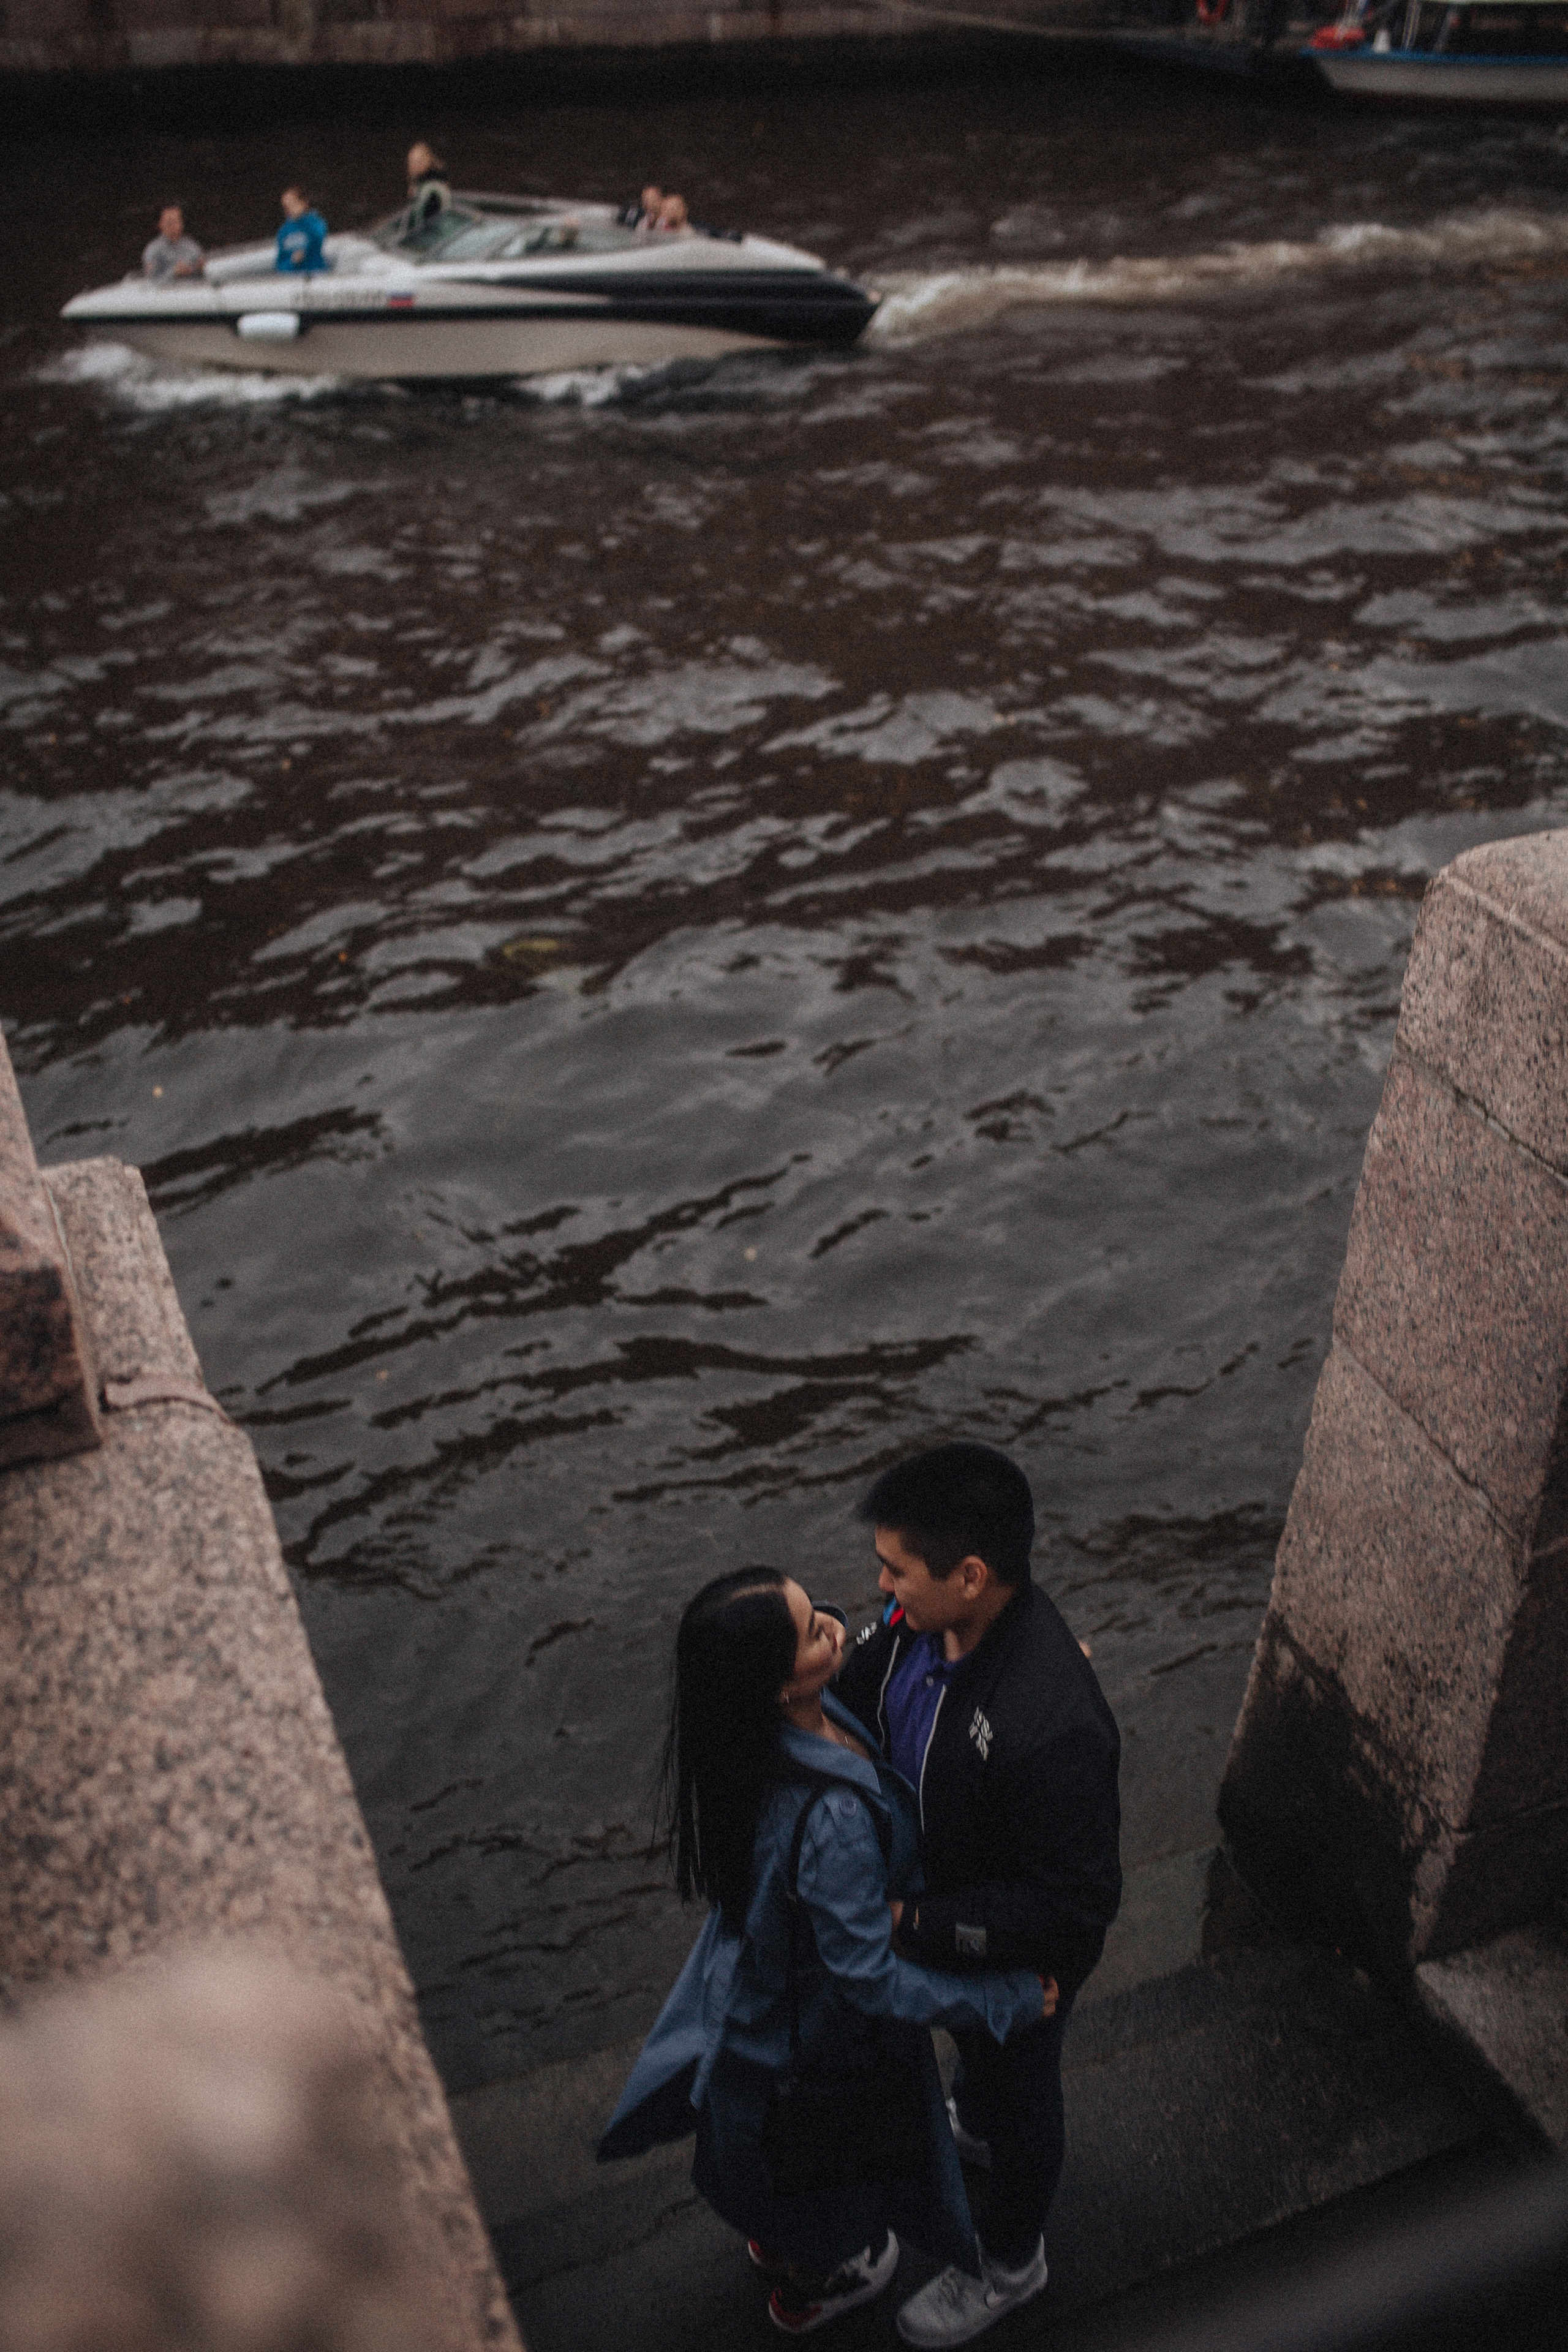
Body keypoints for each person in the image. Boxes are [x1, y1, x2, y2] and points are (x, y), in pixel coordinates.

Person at [599, 1569, 1050, 2337]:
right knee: (830, 2183)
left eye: (821, 1611)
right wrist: (996, 2001)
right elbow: (868, 1977)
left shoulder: (751, 1747)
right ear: (779, 1685)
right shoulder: (833, 1819)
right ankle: (835, 2271)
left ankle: (782, 2236)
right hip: (814, 2045)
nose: (839, 1628)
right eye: (814, 1631)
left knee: (763, 2165)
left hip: (752, 2007)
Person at [834, 1443, 1121, 2348]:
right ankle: (978, 2120)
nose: (881, 1588)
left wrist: (909, 1922)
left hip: (1011, 1953)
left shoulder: (1053, 1723)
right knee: (985, 2074)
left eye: (896, 1570)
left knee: (1026, 2089)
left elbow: (1072, 1906)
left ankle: (1010, 2263)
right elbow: (857, 1691)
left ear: (970, 1576)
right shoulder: (915, 1626)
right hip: (943, 1906)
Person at [142, 206, 204, 281]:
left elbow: (202, 270)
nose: (175, 226)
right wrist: (174, 273)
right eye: (170, 223)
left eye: (177, 221)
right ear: (161, 225)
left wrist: (201, 268)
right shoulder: (154, 251)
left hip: (194, 288)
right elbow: (151, 281)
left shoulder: (191, 245)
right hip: (168, 290)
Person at [275, 188, 328, 274]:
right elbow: (280, 262)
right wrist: (292, 262)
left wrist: (303, 252)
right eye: (286, 206)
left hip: (315, 272)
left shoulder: (315, 222)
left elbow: (318, 239)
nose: (290, 209)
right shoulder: (284, 230)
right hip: (291, 277)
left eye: (293, 204)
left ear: (303, 203)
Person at [405, 143, 451, 233]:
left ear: (427, 161)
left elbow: (421, 220)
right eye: (411, 162)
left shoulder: (431, 189)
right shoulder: (420, 185)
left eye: (417, 162)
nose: (412, 166)